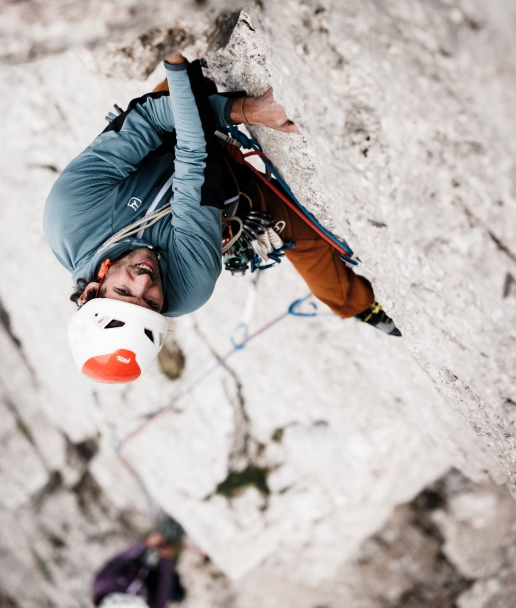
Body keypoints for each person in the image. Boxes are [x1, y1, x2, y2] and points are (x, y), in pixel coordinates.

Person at [43, 52, 399, 382]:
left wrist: (238, 106)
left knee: (182, 89)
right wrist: (242, 109)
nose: (145, 282)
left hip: (165, 138)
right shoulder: (187, 290)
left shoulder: (70, 214)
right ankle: (359, 305)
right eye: (151, 303)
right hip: (228, 196)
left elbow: (148, 118)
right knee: (309, 244)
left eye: (123, 291)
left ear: (93, 288)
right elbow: (197, 163)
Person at [93, 531, 185, 608]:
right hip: (151, 584)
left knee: (157, 537)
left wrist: (145, 544)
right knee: (177, 593)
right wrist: (166, 561)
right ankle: (178, 540)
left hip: (135, 565)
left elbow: (119, 560)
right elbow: (162, 596)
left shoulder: (103, 584)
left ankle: (159, 531)